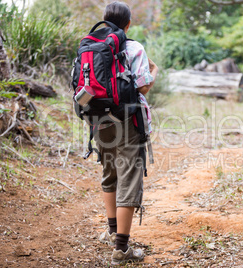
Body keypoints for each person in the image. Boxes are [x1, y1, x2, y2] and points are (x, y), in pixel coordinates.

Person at [94, 1, 159, 266]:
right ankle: (121, 249)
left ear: (105, 20)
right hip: (129, 120)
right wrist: (154, 71)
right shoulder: (134, 47)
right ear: (128, 24)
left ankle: (112, 232)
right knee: (129, 177)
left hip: (99, 120)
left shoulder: (92, 45)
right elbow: (142, 88)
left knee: (109, 173)